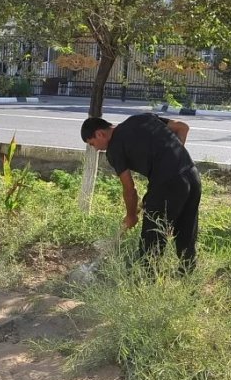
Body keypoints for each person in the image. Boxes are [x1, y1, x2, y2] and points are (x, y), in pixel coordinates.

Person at [81, 114, 201, 272]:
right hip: (192, 175)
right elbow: (182, 127)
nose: (96, 149)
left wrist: (131, 215)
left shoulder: (114, 148)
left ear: (100, 134)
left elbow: (129, 189)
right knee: (186, 230)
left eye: (93, 143)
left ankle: (146, 280)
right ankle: (187, 275)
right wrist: (173, 162)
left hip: (168, 183)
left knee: (152, 239)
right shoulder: (142, 118)